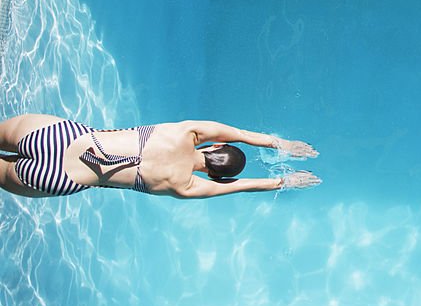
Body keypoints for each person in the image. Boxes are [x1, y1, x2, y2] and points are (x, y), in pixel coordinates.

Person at [0, 113, 320, 199]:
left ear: (212, 147)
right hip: (58, 179)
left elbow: (237, 133)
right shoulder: (185, 186)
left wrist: (280, 143)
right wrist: (282, 181)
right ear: (214, 174)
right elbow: (236, 187)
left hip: (61, 139)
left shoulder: (186, 134)